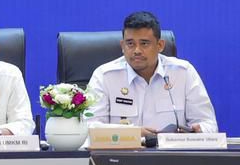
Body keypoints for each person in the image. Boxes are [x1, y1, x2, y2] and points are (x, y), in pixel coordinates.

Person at [87, 11, 218, 135]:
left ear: (160, 45)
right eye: (130, 44)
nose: (137, 50)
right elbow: (89, 126)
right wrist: (132, 134)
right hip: (124, 151)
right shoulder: (104, 76)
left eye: (144, 43)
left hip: (172, 150)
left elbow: (209, 124)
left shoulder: (183, 73)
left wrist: (198, 131)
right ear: (122, 46)